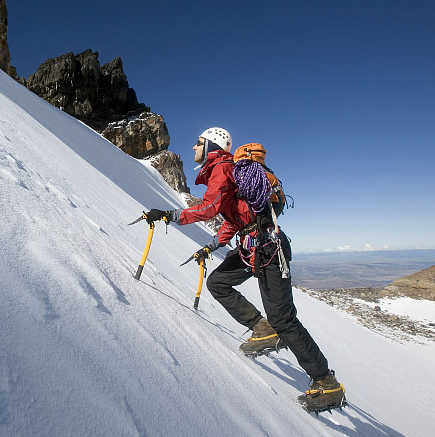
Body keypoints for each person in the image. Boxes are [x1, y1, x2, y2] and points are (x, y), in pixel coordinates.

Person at [143, 127, 345, 413]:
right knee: (219, 282)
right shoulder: (224, 171)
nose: (193, 148)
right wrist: (211, 247)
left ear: (211, 145)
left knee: (284, 319)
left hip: (267, 248)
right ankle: (262, 329)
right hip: (255, 246)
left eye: (198, 143)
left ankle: (327, 383)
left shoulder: (221, 169)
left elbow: (210, 208)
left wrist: (171, 214)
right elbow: (233, 219)